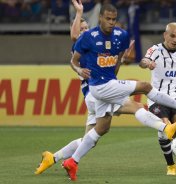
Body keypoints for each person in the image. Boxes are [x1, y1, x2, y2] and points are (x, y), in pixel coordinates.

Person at [62, 3, 176, 181]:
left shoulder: (120, 36)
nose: (112, 22)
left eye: (114, 19)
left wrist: (122, 58)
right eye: (108, 19)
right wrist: (78, 69)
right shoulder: (88, 37)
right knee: (144, 87)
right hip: (98, 87)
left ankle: (72, 162)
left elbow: (117, 63)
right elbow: (74, 47)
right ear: (100, 18)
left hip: (106, 86)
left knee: (102, 129)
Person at [34, 0, 120, 175]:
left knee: (89, 140)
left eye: (87, 28)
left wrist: (120, 57)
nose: (85, 31)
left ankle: (52, 158)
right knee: (131, 106)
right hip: (95, 94)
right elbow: (74, 36)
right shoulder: (79, 44)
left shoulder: (92, 47)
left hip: (93, 94)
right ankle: (162, 123)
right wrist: (79, 13)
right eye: (82, 29)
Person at [139, 22, 176, 176]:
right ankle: (171, 165)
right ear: (165, 35)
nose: (175, 39)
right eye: (172, 35)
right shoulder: (155, 50)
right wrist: (148, 63)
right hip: (157, 97)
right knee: (165, 130)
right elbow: (143, 61)